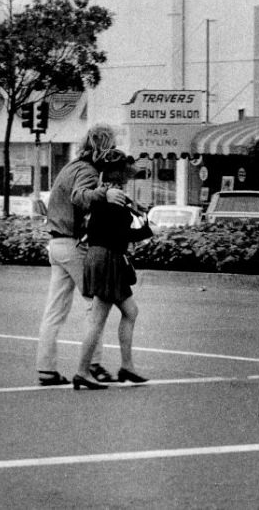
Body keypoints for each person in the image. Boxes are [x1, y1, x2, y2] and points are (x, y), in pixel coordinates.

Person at [36, 124, 128, 386]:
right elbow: (79, 196)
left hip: (56, 243)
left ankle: (46, 369)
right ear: (103, 147)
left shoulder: (71, 166)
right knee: (96, 303)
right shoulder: (87, 170)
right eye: (111, 146)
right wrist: (105, 193)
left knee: (55, 310)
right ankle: (93, 366)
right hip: (72, 243)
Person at [73, 151, 150, 391]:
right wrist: (146, 231)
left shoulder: (106, 195)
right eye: (126, 172)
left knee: (130, 311)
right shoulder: (114, 198)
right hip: (108, 258)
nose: (129, 176)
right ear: (120, 174)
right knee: (98, 318)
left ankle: (126, 366)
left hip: (101, 257)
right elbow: (121, 234)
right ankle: (82, 371)